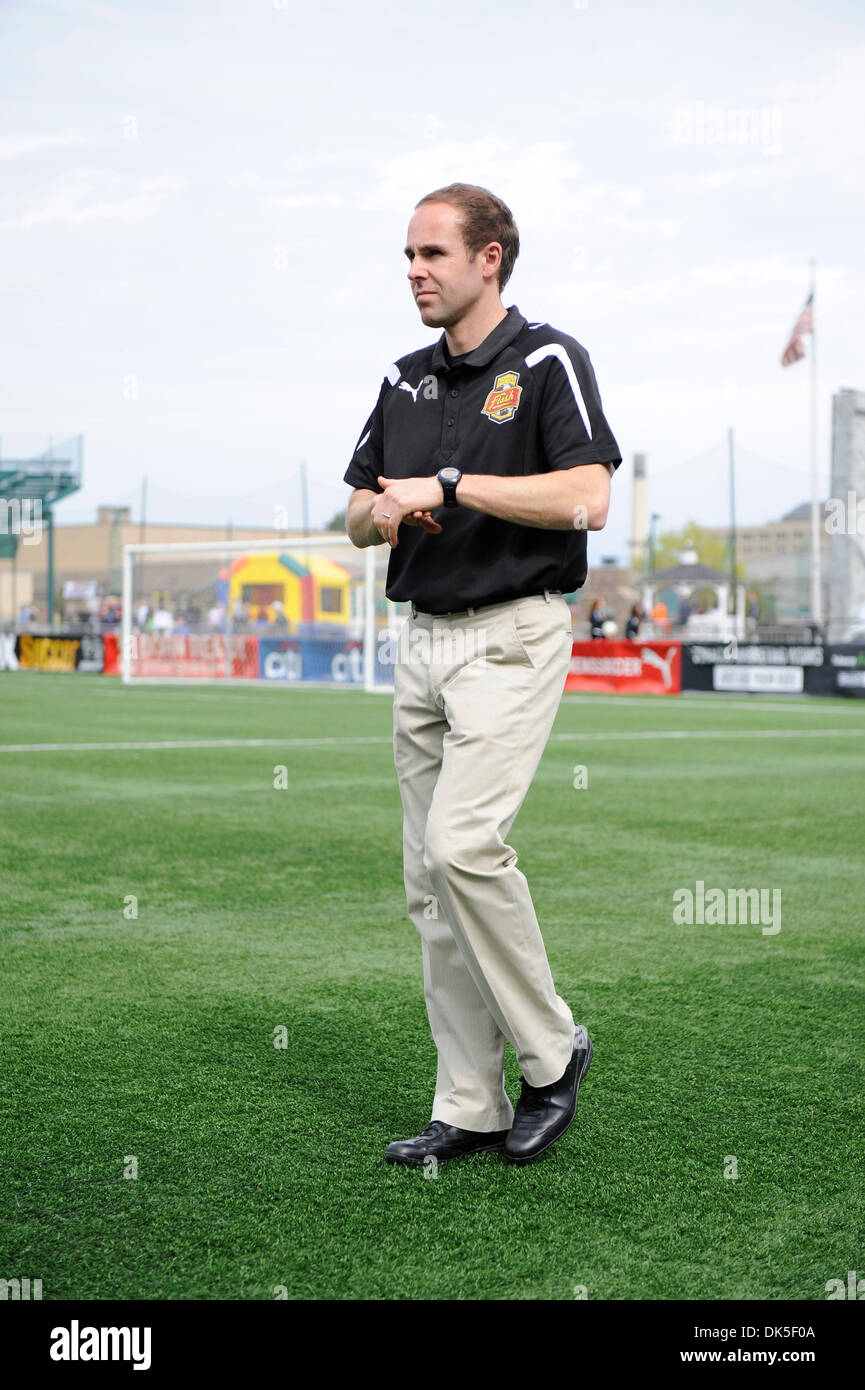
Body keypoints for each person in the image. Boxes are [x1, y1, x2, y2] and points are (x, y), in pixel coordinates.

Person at [344, 182, 622, 1168]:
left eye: (432, 254)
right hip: (418, 639)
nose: (414, 272)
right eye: (407, 257)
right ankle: (469, 1102)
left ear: (488, 257)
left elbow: (588, 497)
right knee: (427, 883)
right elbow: (355, 510)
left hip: (510, 633)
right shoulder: (401, 376)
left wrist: (456, 485)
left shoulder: (547, 360)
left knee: (463, 846)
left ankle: (554, 1050)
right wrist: (376, 514)